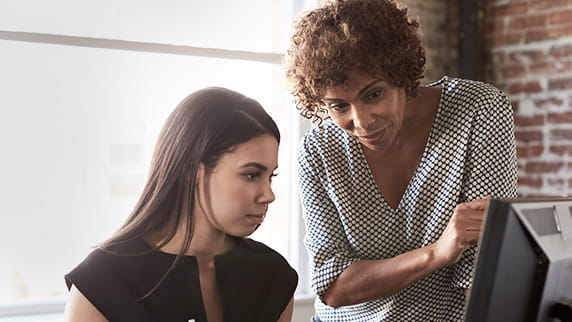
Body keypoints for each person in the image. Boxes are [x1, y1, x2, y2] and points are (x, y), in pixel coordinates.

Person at [284, 0, 518, 321]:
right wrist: (436, 253)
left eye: (373, 94)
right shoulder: (318, 152)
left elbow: (478, 275)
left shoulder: (477, 110)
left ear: (402, 72)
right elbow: (333, 286)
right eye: (339, 106)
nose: (361, 121)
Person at [63, 87, 298, 322]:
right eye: (251, 175)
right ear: (191, 170)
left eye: (271, 176)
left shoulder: (275, 276)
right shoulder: (102, 280)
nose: (268, 195)